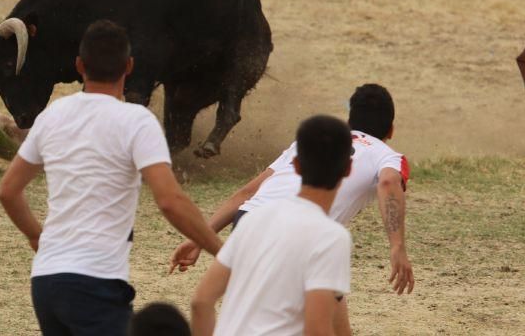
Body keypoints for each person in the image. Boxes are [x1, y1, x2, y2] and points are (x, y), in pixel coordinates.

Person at [0, 19, 222, 336]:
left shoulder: (53, 116)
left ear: (79, 65)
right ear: (129, 66)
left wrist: (38, 237)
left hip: (46, 281)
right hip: (95, 281)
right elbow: (170, 201)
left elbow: (8, 191)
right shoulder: (135, 121)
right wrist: (221, 251)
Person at [174, 84, 414, 329]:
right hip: (304, 233)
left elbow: (247, 192)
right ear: (391, 130)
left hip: (250, 216)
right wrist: (397, 246)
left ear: (349, 120)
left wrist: (200, 238)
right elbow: (388, 181)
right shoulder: (387, 156)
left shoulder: (308, 145)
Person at [191, 115, 354, 336]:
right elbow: (317, 329)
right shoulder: (331, 237)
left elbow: (201, 302)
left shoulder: (254, 219)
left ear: (295, 165)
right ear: (348, 169)